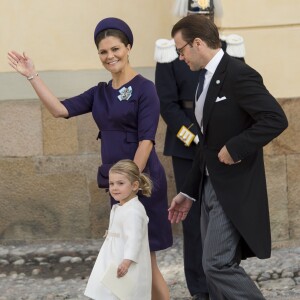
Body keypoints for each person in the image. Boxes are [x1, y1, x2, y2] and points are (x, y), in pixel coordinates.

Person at [8, 17, 172, 300]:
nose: (110, 56)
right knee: (125, 257)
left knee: (146, 257)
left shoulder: (146, 89)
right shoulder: (99, 92)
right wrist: (32, 75)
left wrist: (131, 187)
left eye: (115, 49)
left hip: (140, 184)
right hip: (120, 187)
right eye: (103, 51)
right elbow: (60, 110)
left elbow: (147, 140)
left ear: (128, 47)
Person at [168, 14, 288, 299]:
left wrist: (236, 147)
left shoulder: (238, 73)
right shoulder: (202, 80)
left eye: (180, 50)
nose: (179, 57)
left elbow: (275, 118)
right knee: (217, 268)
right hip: (210, 187)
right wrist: (188, 191)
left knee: (217, 265)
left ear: (197, 44)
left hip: (234, 188)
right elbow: (206, 144)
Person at [154, 1, 245, 299]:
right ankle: (199, 289)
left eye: (206, 12)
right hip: (187, 145)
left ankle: (222, 282)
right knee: (192, 223)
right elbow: (167, 103)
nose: (202, 16)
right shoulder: (170, 52)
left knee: (222, 217)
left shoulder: (229, 50)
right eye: (196, 10)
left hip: (221, 145)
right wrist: (195, 137)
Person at [84, 159, 152, 300]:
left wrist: (127, 261)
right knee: (108, 290)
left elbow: (134, 239)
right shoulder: (122, 206)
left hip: (125, 260)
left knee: (124, 292)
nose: (114, 188)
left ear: (134, 185)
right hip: (113, 255)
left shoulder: (133, 211)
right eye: (111, 183)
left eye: (120, 183)